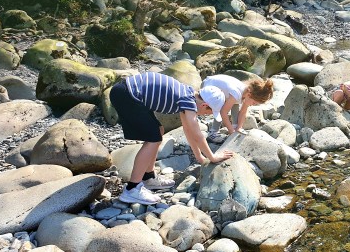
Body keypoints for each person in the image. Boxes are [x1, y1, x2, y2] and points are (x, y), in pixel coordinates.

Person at [110, 72, 234, 205]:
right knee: (153, 139)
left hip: (128, 92)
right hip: (128, 94)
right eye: (208, 112)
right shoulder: (188, 102)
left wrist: (200, 158)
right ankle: (132, 189)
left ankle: (148, 177)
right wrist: (213, 157)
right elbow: (197, 135)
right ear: (204, 105)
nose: (204, 115)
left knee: (158, 131)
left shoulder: (188, 95)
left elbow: (188, 130)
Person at [201, 74, 274, 142]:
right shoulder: (236, 93)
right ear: (249, 95)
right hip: (208, 86)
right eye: (254, 103)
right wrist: (230, 130)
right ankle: (213, 132)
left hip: (221, 90)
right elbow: (223, 112)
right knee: (221, 106)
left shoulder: (247, 93)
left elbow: (243, 112)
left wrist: (239, 127)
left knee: (235, 104)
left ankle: (235, 126)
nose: (253, 105)